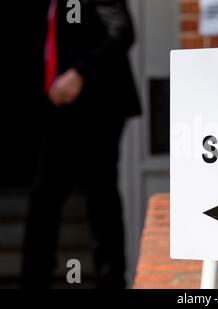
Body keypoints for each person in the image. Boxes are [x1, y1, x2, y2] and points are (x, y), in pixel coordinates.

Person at [22, 0, 141, 288]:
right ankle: (34, 280)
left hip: (97, 108)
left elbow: (122, 30)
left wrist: (80, 73)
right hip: (60, 111)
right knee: (44, 195)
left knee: (100, 193)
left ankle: (111, 280)